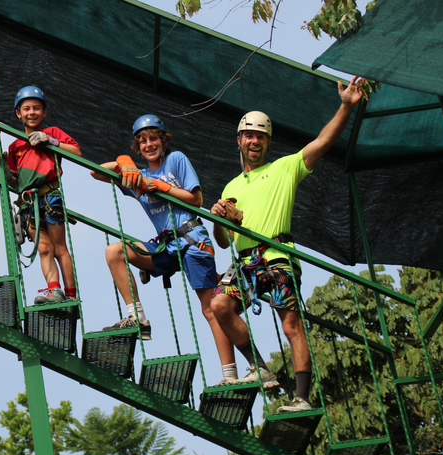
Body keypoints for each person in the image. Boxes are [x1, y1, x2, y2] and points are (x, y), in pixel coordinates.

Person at [210, 78, 364, 411]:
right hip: (245, 261)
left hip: (277, 254)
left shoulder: (284, 168)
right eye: (249, 135)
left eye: (261, 136)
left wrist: (346, 105)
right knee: (220, 305)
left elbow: (323, 141)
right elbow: (223, 242)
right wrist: (219, 218)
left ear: (268, 142)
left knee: (291, 324)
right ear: (239, 140)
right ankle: (259, 367)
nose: (255, 141)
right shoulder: (230, 186)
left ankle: (302, 398)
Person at [92, 115, 237, 380]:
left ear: (163, 139)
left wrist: (159, 186)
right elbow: (95, 172)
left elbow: (196, 199)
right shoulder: (138, 176)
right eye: (143, 141)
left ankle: (230, 373)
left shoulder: (175, 160)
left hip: (192, 240)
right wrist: (124, 161)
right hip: (165, 246)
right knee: (115, 251)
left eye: (154, 138)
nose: (149, 144)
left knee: (209, 309)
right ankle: (137, 318)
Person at [5, 86, 82, 304]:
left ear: (44, 112)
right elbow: (13, 182)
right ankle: (54, 290)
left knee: (59, 247)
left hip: (49, 195)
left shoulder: (53, 133)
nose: (31, 112)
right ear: (18, 114)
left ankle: (71, 294)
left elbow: (77, 152)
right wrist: (2, 169)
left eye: (36, 108)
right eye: (26, 109)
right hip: (28, 202)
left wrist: (51, 142)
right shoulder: (15, 146)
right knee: (44, 248)